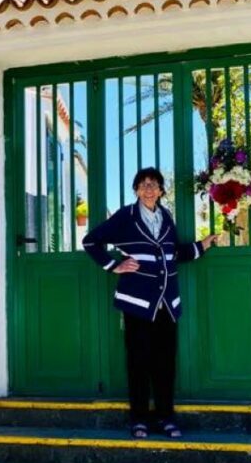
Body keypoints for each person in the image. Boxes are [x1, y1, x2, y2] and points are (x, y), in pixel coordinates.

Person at [82, 167, 217, 439]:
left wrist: (201, 246)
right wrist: (114, 266)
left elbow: (173, 253)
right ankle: (139, 420)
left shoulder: (166, 217)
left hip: (167, 303)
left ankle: (166, 418)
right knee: (139, 362)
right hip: (137, 303)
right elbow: (90, 241)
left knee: (165, 363)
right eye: (143, 184)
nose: (149, 189)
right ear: (136, 190)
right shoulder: (125, 217)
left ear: (161, 191)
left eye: (154, 184)